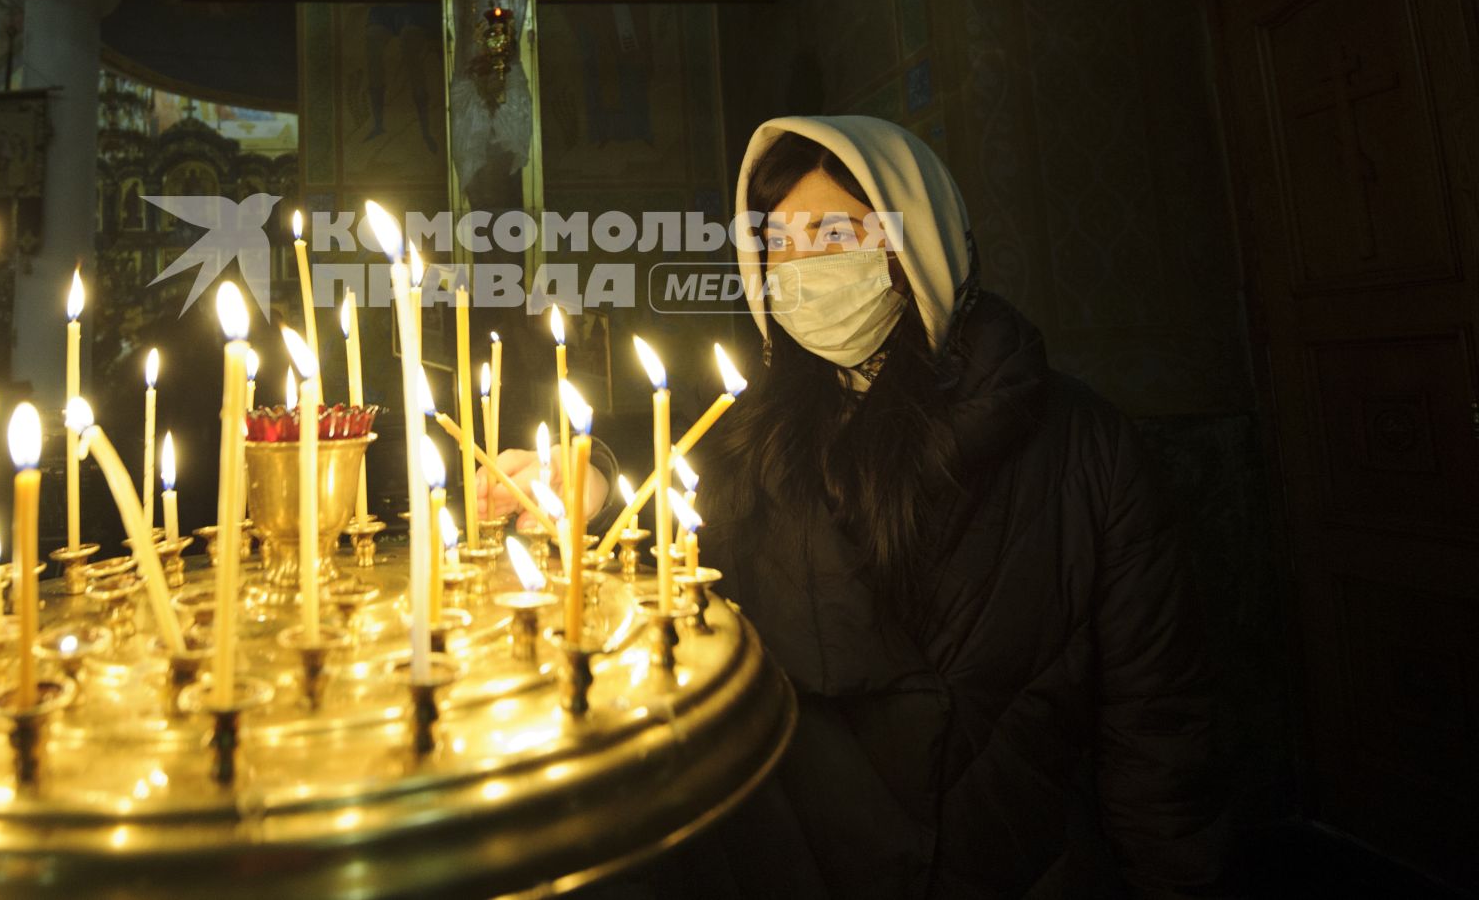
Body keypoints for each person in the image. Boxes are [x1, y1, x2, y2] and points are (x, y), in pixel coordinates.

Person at [482, 115, 1232, 898]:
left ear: (923, 244)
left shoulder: (1083, 446)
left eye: (836, 230)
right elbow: (670, 521)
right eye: (778, 242)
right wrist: (588, 489)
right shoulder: (752, 438)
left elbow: (1158, 726)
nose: (802, 266)